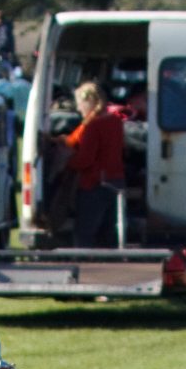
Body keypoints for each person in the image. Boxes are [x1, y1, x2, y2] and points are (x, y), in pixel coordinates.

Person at [62, 79, 123, 247]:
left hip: (94, 184)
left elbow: (85, 160)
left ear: (88, 102)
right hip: (115, 181)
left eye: (80, 104)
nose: (78, 108)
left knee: (84, 234)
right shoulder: (115, 121)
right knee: (108, 234)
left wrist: (66, 162)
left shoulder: (92, 125)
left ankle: (84, 267)